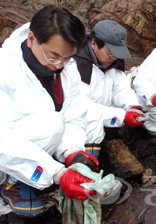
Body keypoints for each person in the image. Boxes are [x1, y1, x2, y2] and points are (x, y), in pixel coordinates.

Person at [0, 5, 100, 217]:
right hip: (5, 152)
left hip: (35, 143)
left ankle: (34, 175)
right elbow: (3, 137)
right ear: (31, 39)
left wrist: (72, 151)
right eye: (53, 56)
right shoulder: (5, 68)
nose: (59, 65)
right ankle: (11, 182)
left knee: (59, 122)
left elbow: (73, 116)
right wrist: (58, 173)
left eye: (67, 57)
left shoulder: (66, 67)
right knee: (51, 123)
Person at [73, 19, 145, 157]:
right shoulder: (77, 65)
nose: (114, 57)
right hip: (80, 125)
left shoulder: (113, 61)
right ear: (93, 43)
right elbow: (82, 107)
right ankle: (86, 163)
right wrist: (123, 116)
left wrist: (133, 106)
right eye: (111, 52)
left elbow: (121, 88)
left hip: (104, 119)